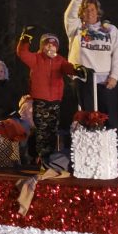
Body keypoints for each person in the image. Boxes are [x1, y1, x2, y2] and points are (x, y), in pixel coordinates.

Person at [64, 0, 118, 129]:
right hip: (83, 81)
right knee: (85, 120)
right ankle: (87, 150)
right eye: (86, 10)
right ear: (82, 13)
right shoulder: (76, 29)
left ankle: (111, 151)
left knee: (109, 121)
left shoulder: (110, 29)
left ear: (98, 12)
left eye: (92, 9)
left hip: (105, 82)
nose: (89, 12)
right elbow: (69, 16)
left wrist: (114, 75)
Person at [15, 29, 75, 170]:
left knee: (52, 131)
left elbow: (67, 67)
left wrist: (76, 70)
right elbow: (22, 53)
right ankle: (42, 159)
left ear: (57, 48)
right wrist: (24, 40)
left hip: (55, 102)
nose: (50, 47)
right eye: (47, 45)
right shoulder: (36, 59)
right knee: (42, 132)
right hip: (40, 101)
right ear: (42, 47)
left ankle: (51, 159)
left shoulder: (60, 60)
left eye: (53, 45)